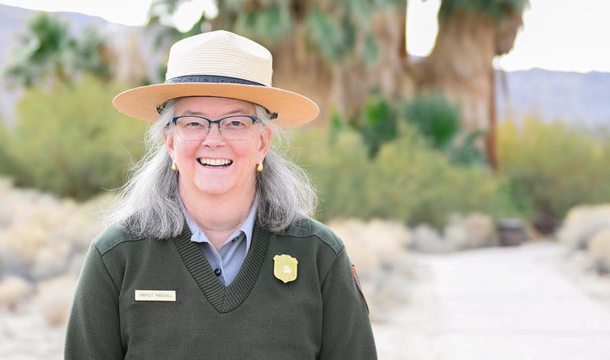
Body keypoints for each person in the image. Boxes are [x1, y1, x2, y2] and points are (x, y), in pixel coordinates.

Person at [65, 30, 377, 359]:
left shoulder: (320, 257)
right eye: (194, 123)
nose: (214, 139)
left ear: (263, 142)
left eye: (236, 123)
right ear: (170, 142)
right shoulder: (116, 258)